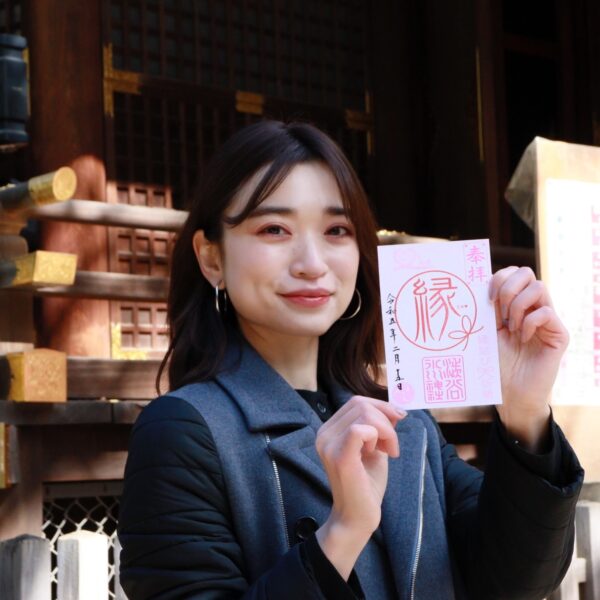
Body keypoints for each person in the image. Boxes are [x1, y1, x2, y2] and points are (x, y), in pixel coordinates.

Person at [117, 120, 584, 599]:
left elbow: (515, 583)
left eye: (336, 230)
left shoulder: (407, 423)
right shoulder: (183, 431)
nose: (312, 262)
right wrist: (341, 533)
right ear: (211, 257)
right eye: (274, 229)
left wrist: (525, 414)